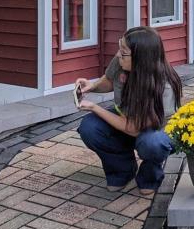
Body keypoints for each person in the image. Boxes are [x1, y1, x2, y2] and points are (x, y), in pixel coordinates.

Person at [76, 27, 183, 195]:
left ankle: (150, 175)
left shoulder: (165, 86)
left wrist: (94, 107)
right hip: (125, 116)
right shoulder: (123, 59)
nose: (118, 54)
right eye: (120, 47)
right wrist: (92, 86)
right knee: (89, 128)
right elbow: (109, 80)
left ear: (142, 58)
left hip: (156, 130)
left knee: (152, 144)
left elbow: (134, 128)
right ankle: (122, 171)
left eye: (124, 52)